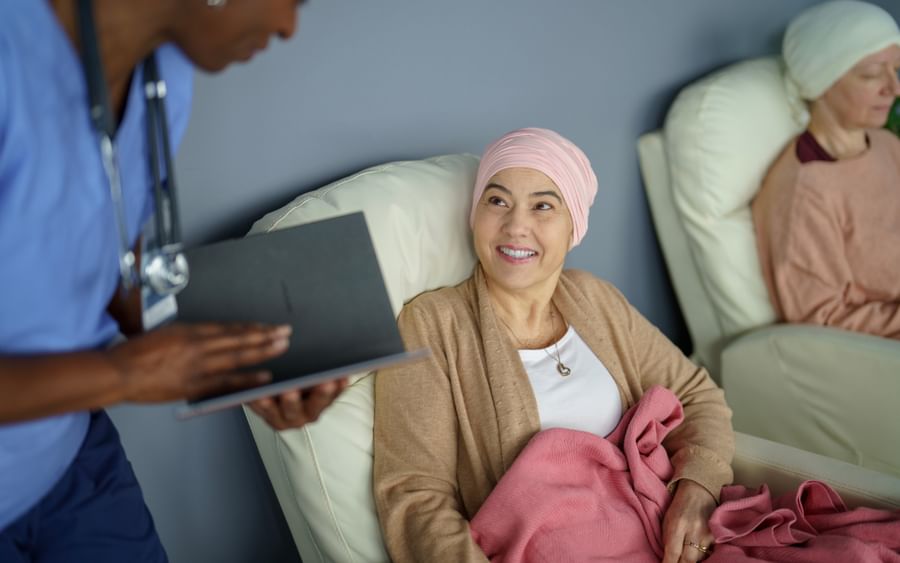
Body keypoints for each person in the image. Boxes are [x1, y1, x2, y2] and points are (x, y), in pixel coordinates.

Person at [0, 0, 345, 560]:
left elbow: (108, 255)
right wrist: (121, 374)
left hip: (70, 456)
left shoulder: (165, 74)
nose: (288, 27)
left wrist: (242, 363)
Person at [373, 128, 734, 563]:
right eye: (497, 201)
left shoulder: (595, 298)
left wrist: (696, 491)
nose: (515, 225)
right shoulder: (433, 324)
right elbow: (414, 494)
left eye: (543, 205)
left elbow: (698, 396)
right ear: (475, 214)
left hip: (662, 537)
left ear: (573, 228)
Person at [753, 0, 900, 340]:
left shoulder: (886, 144)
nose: (894, 89)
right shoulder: (803, 193)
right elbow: (822, 319)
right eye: (872, 74)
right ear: (824, 82)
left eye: (897, 69)